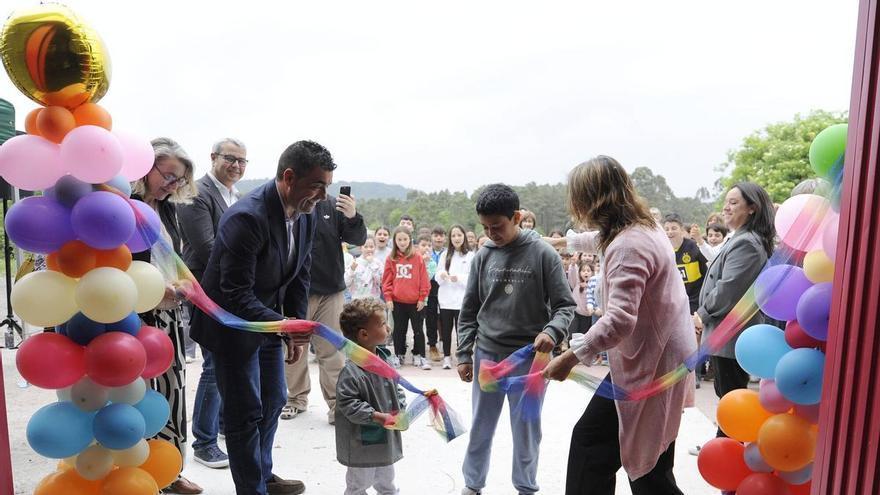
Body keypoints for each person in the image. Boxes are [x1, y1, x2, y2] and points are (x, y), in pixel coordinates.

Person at [190, 140, 336, 495]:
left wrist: (296, 327)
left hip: (269, 321)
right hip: (230, 325)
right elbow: (236, 293)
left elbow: (300, 273)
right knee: (244, 414)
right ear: (289, 177)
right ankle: (251, 489)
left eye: (326, 187)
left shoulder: (308, 212)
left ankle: (263, 476)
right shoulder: (247, 216)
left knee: (273, 399)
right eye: (317, 186)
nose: (322, 196)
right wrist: (286, 327)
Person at [542, 156, 695, 495]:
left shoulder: (629, 245)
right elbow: (597, 239)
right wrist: (555, 243)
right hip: (660, 355)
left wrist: (570, 356)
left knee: (616, 454)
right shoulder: (642, 227)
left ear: (590, 200)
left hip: (652, 362)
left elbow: (620, 321)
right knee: (642, 457)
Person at [457, 184, 575, 495]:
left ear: (518, 217)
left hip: (531, 362)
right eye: (484, 227)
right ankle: (472, 484)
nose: (491, 233)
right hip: (488, 356)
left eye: (497, 226)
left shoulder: (543, 254)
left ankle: (525, 487)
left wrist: (552, 331)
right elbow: (469, 309)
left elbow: (565, 306)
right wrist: (464, 353)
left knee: (526, 429)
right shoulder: (483, 256)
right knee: (482, 425)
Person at [132, 137, 202, 494]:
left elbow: (172, 260)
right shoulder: (123, 206)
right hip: (135, 318)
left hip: (170, 317)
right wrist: (153, 290)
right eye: (168, 175)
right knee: (141, 397)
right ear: (146, 166)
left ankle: (170, 470)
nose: (172, 186)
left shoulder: (169, 210)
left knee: (173, 392)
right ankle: (141, 475)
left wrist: (180, 286)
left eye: (178, 181)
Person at [178, 137, 248, 470]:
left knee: (228, 361)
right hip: (207, 289)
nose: (236, 166)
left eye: (242, 161)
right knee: (213, 363)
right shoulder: (197, 194)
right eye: (230, 159)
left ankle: (220, 428)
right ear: (213, 158)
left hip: (231, 290)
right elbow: (207, 248)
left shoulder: (236, 196)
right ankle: (204, 442)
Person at [692, 182, 775, 443]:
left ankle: (727, 452)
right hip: (724, 336)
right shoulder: (739, 238)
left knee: (732, 400)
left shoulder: (747, 244)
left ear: (752, 208)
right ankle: (726, 448)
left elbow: (729, 290)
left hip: (732, 336)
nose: (726, 208)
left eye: (734, 202)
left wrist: (702, 313)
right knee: (728, 398)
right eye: (726, 202)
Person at [284, 189, 366, 424]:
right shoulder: (290, 202)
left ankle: (337, 404)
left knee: (332, 350)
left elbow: (358, 239)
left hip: (331, 290)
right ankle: (296, 398)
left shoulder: (333, 206)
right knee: (293, 349)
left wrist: (353, 216)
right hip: (295, 290)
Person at [335, 298, 404, 495]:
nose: (388, 327)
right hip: (361, 443)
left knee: (387, 481)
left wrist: (401, 406)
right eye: (382, 324)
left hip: (384, 439)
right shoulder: (351, 371)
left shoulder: (385, 359)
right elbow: (348, 404)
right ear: (364, 334)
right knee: (359, 484)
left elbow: (396, 387)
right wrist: (375, 416)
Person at [382, 226, 430, 369]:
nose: (402, 242)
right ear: (395, 241)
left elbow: (424, 279)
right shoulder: (391, 258)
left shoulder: (417, 257)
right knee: (399, 330)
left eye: (405, 239)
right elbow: (387, 281)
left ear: (410, 240)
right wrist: (388, 298)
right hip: (398, 301)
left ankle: (420, 356)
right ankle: (398, 355)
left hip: (415, 302)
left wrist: (422, 297)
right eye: (399, 239)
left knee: (418, 330)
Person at [435, 224, 473, 369]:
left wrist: (460, 278)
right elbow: (437, 275)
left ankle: (462, 356)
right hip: (446, 300)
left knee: (461, 331)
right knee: (446, 330)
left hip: (462, 300)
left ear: (464, 236)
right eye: (453, 236)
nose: (457, 238)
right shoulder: (445, 255)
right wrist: (442, 274)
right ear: (450, 239)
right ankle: (446, 357)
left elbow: (472, 277)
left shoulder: (470, 256)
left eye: (459, 235)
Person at [425, 226, 447, 362]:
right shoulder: (425, 252)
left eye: (441, 235)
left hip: (445, 286)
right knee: (430, 317)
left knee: (445, 316)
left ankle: (444, 342)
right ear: (431, 237)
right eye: (436, 235)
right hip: (429, 286)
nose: (438, 238)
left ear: (445, 238)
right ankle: (432, 346)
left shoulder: (448, 253)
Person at [567, 257, 594, 337]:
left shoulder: (593, 284)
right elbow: (572, 275)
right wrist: (573, 265)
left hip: (588, 315)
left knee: (583, 335)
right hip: (576, 313)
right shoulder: (576, 283)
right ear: (579, 273)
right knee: (573, 333)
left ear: (592, 273)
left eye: (588, 271)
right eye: (583, 271)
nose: (586, 273)